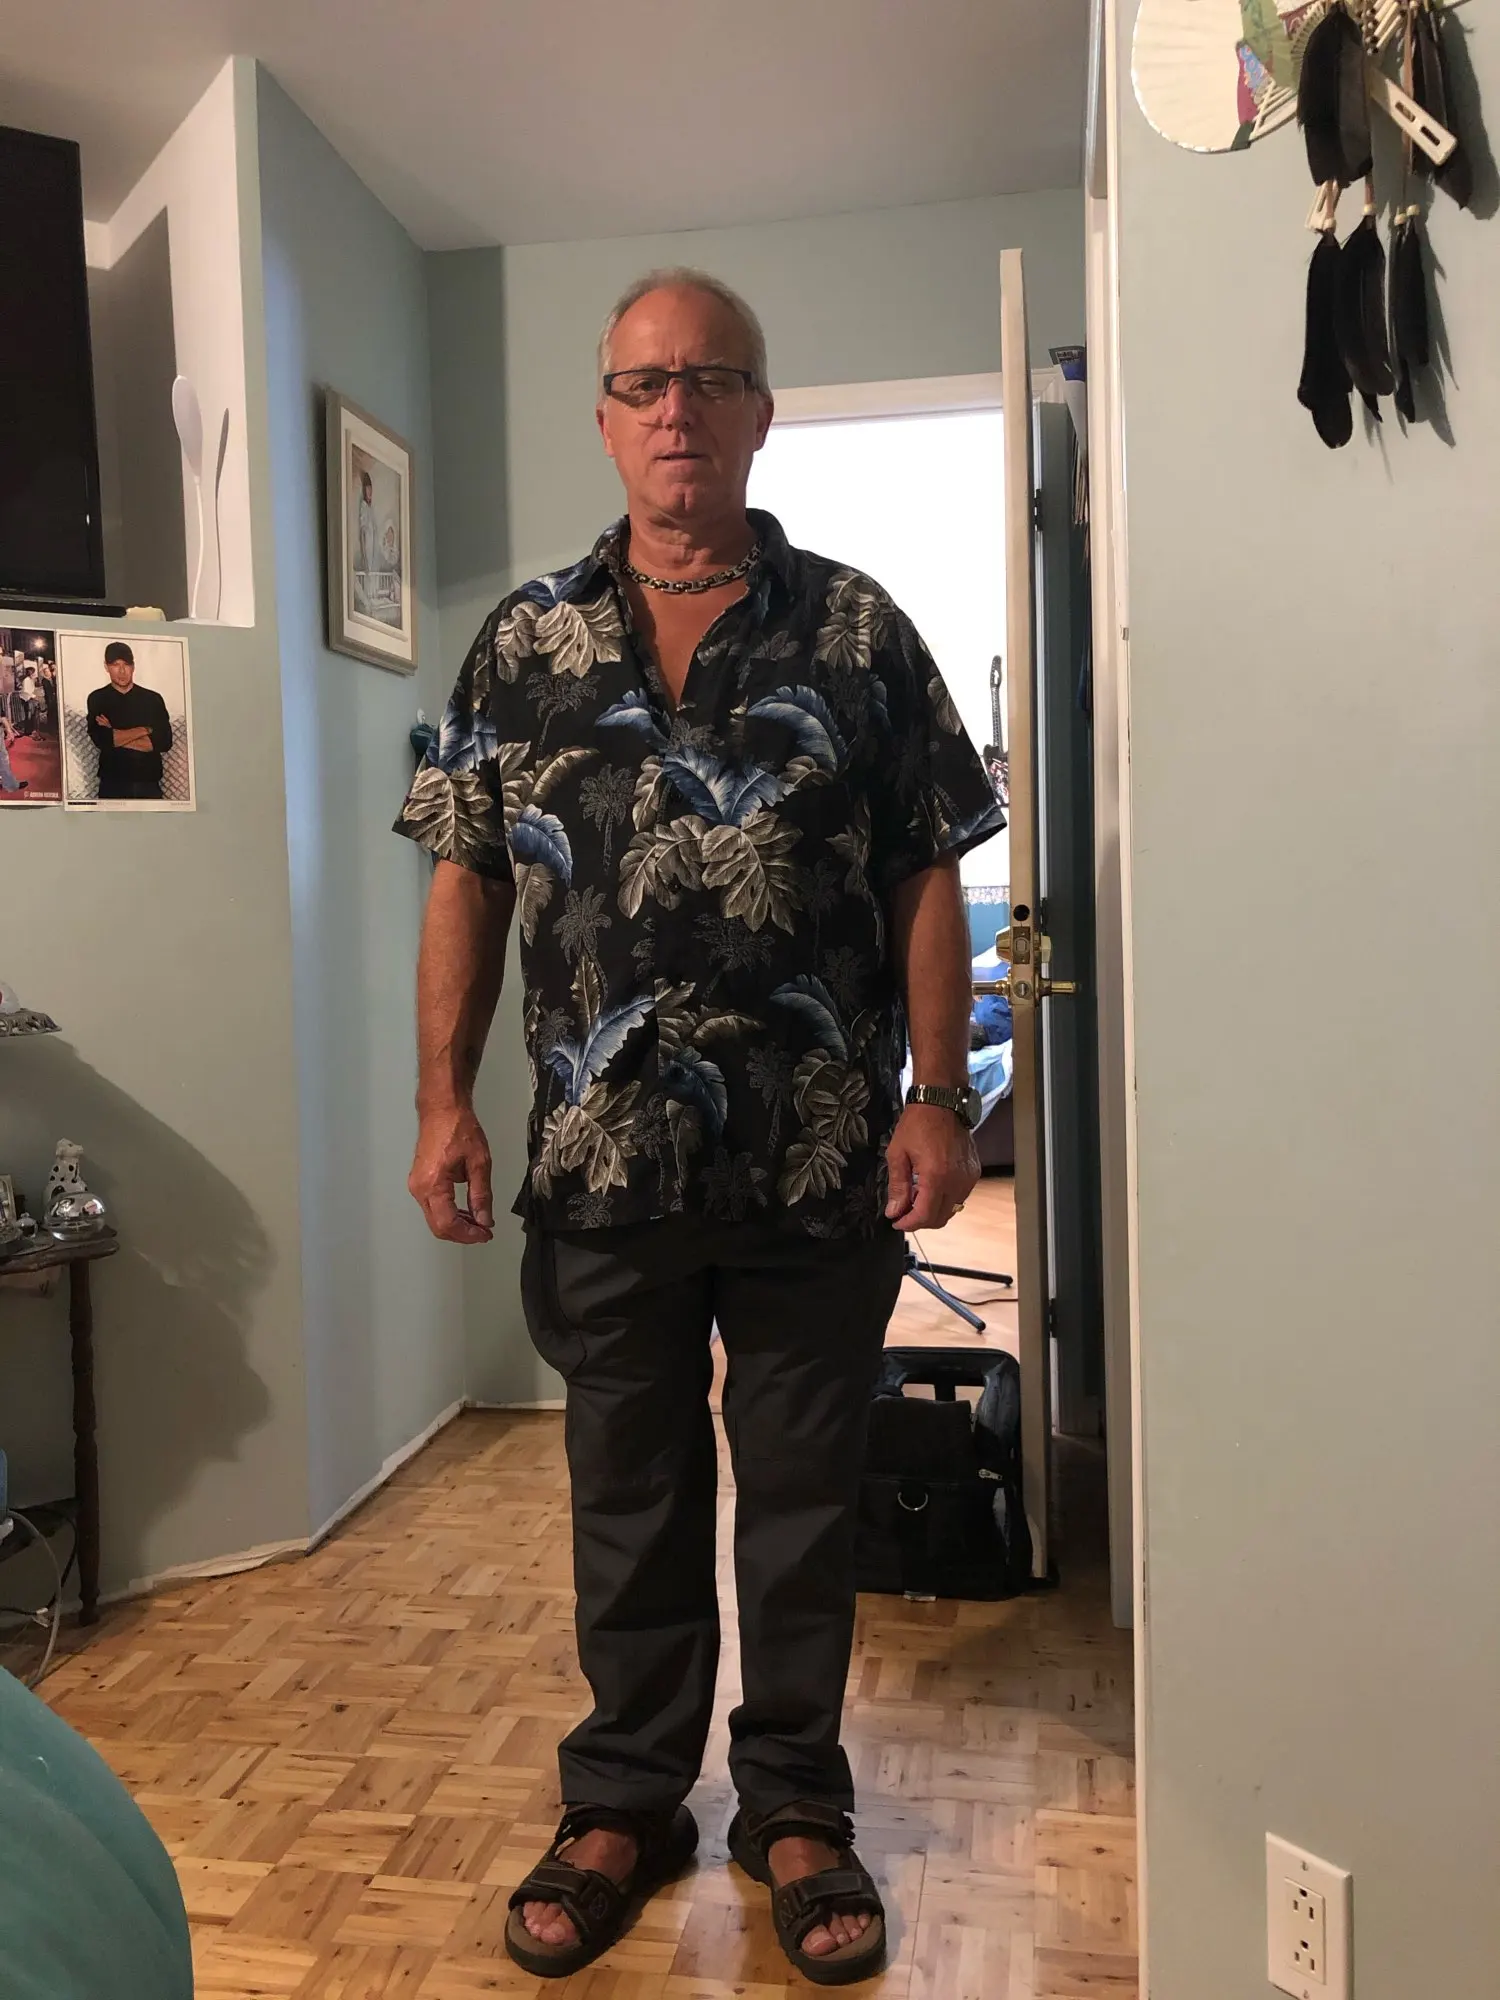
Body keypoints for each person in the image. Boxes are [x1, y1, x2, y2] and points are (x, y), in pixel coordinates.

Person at [395, 269, 1001, 1985]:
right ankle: (626, 1798)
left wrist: (939, 1094)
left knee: (802, 1501)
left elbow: (926, 870)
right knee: (629, 1497)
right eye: (647, 383)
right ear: (606, 416)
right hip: (600, 1165)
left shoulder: (861, 631)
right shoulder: (523, 642)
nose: (678, 409)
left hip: (819, 1161)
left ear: (759, 414)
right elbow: (466, 876)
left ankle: (795, 1803)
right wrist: (441, 1099)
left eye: (711, 379)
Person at [85, 642, 172, 801]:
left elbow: (164, 742)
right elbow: (103, 740)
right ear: (106, 667)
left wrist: (115, 734)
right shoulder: (98, 698)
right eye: (115, 665)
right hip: (112, 782)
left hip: (149, 782)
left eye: (126, 664)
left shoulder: (153, 699)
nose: (122, 671)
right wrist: (145, 730)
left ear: (133, 666)